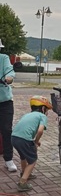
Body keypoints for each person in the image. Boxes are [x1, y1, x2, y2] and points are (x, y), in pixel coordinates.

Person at [11, 95, 52, 192]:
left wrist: (33, 141)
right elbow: (40, 131)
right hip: (24, 139)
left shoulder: (27, 115)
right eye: (47, 110)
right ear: (42, 108)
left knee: (23, 156)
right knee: (32, 160)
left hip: (14, 137)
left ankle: (24, 173)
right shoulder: (42, 116)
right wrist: (36, 142)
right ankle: (22, 182)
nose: (47, 113)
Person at [0, 43, 17, 173]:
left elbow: (10, 70)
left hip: (4, 101)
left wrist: (9, 78)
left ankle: (8, 159)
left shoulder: (4, 58)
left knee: (6, 130)